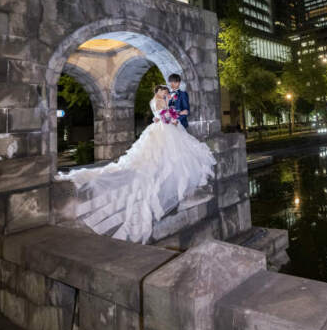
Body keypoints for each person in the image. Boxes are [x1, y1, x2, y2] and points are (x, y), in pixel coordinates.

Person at [56, 84, 215, 244]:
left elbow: (161, 115)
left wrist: (168, 114)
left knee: (165, 151)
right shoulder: (158, 101)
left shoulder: (159, 100)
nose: (165, 92)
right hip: (164, 128)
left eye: (166, 91)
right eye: (163, 90)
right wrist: (171, 117)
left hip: (161, 126)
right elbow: (164, 115)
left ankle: (162, 166)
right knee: (165, 151)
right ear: (157, 91)